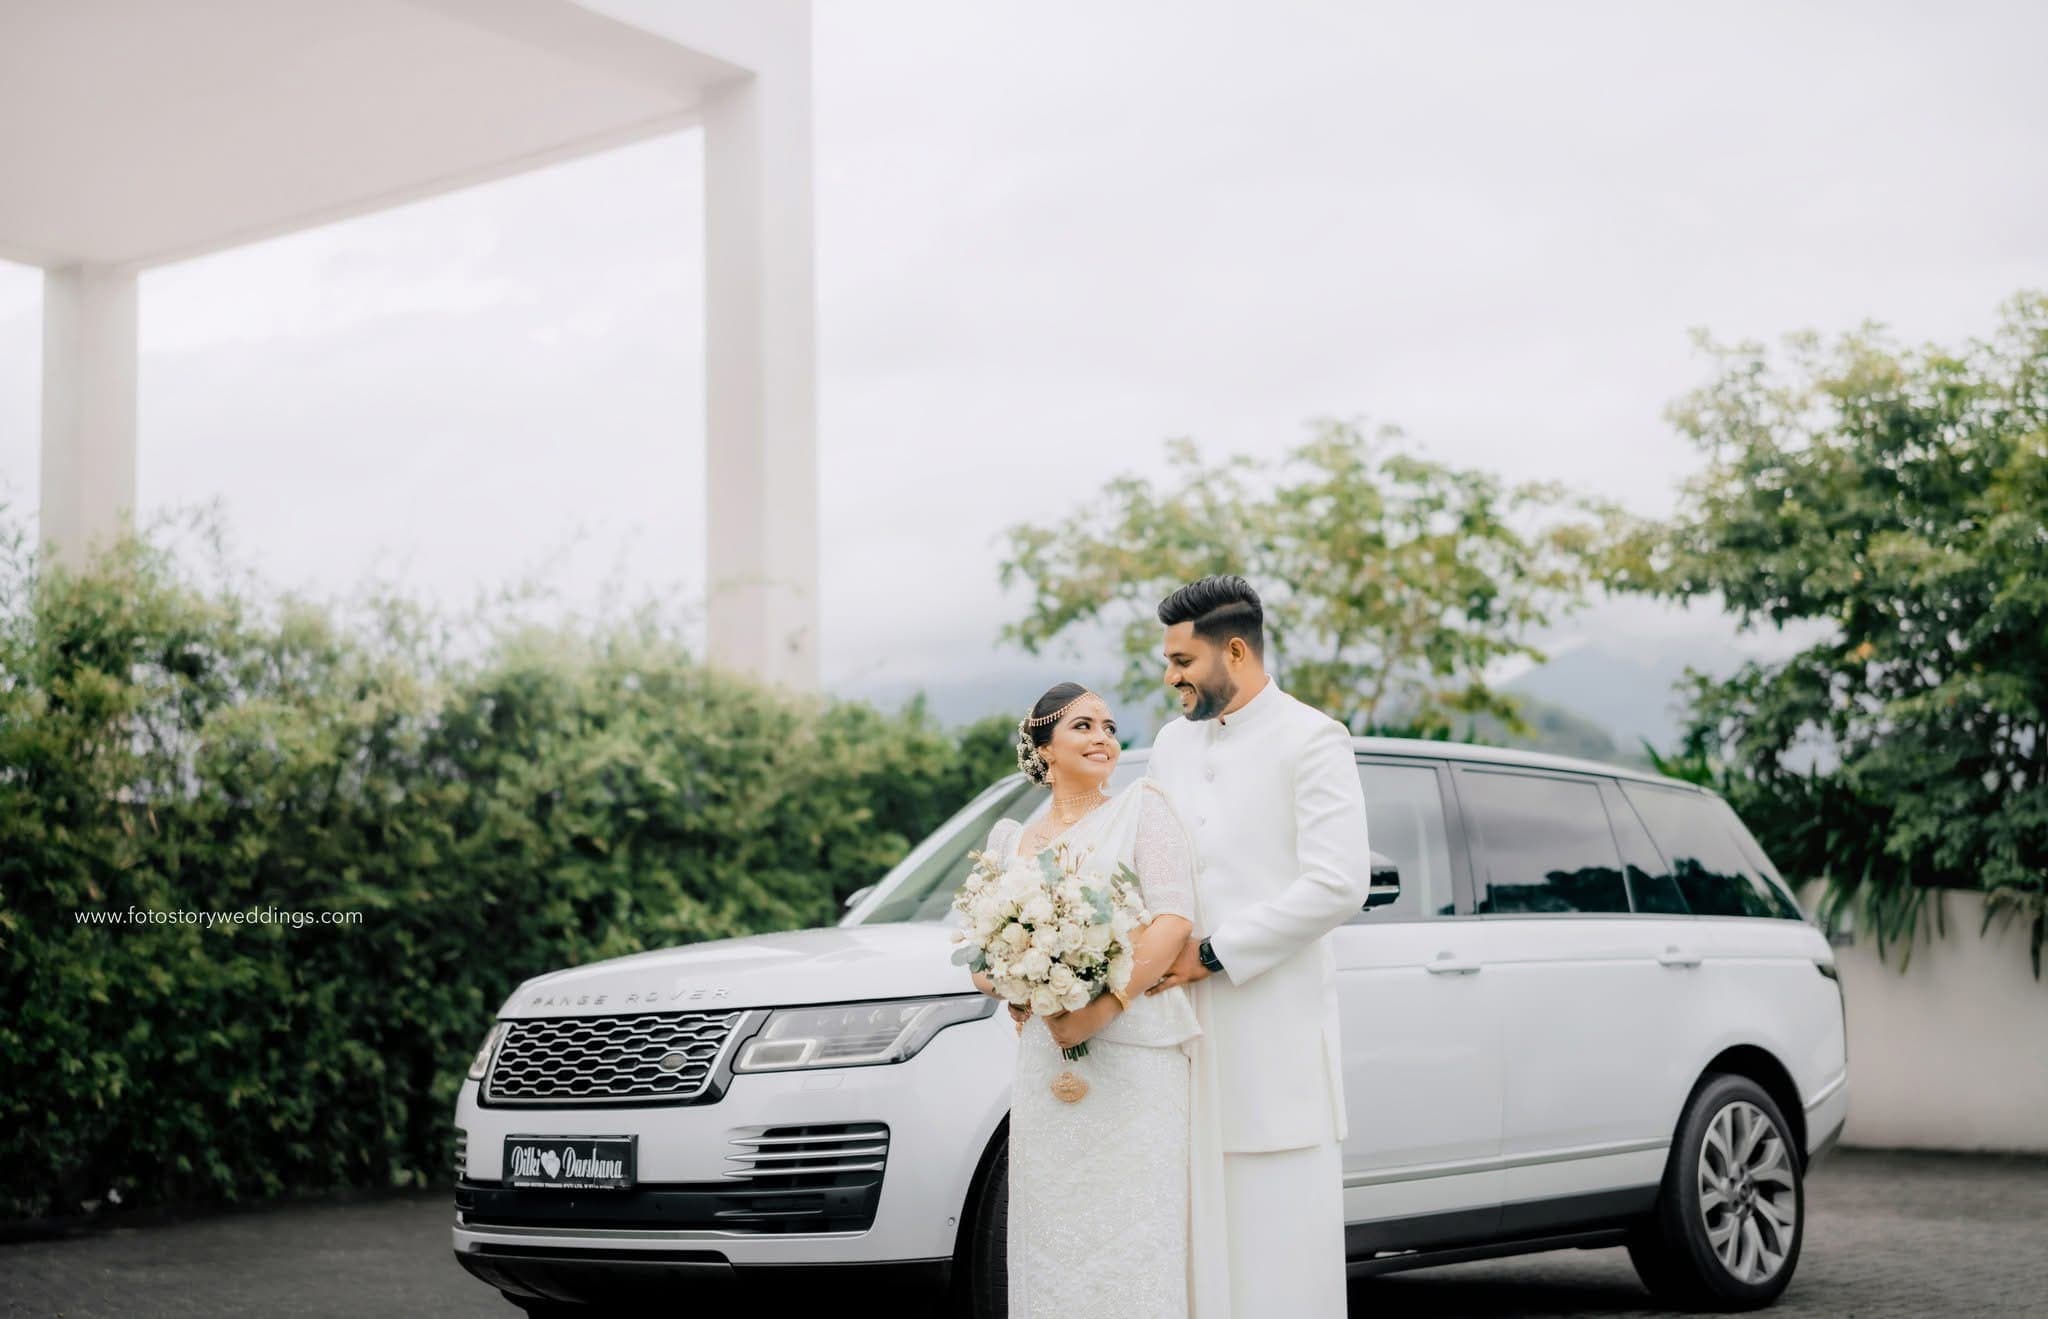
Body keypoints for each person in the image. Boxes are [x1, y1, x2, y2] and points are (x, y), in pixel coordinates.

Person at [1146, 574, 1373, 1318]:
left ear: (1236, 651)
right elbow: (1146, 863)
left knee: (1280, 1257)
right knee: (1194, 1259)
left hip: (1273, 1041)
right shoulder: (1170, 744)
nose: (1171, 676)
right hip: (1180, 1041)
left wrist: (1212, 953)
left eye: (1182, 661)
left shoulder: (1313, 738)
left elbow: (1339, 883)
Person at [965, 682, 1229, 1318]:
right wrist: (1020, 985)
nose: (1103, 739)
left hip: (1135, 1056)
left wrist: (1100, 1007)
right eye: (1082, 726)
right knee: (1052, 1228)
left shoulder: (1143, 809)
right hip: (1044, 1062)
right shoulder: (1010, 842)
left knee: (1134, 1227)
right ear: (1044, 747)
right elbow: (981, 957)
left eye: (1109, 727)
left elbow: (1173, 921)